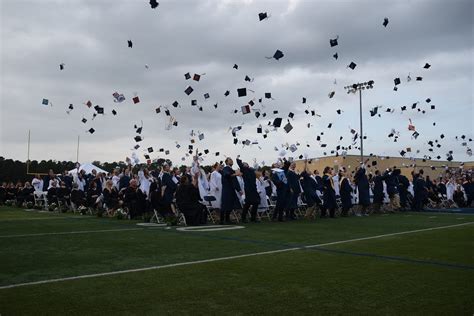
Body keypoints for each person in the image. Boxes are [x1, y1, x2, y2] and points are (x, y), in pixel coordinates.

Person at [236, 157, 260, 222]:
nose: (245, 164)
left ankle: (253, 218)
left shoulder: (251, 170)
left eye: (246, 163)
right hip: (248, 189)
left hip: (254, 188)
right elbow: (240, 165)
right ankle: (243, 218)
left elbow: (257, 172)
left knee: (256, 202)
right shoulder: (244, 170)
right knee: (248, 203)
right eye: (244, 164)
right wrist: (238, 159)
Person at [220, 158, 242, 224]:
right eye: (230, 160)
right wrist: (236, 174)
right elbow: (226, 175)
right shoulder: (225, 168)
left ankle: (227, 219)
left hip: (231, 189)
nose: (232, 161)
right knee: (225, 205)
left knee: (230, 205)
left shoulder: (231, 170)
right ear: (226, 162)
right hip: (227, 189)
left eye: (232, 160)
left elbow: (235, 181)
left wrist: (239, 189)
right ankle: (222, 220)